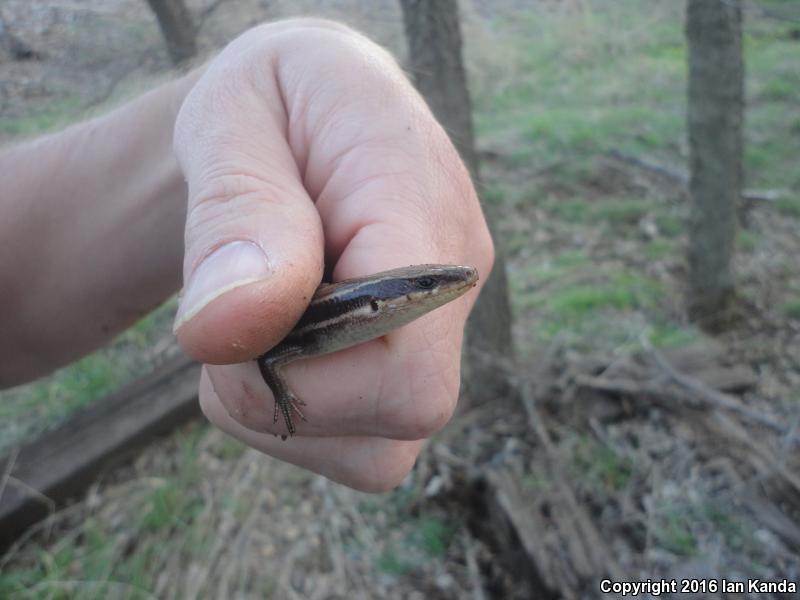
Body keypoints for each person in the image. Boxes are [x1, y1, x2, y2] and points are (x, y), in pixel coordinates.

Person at [0, 20, 493, 492]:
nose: (440, 288)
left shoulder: (364, 309)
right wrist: (282, 397)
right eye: (426, 285)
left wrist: (261, 86)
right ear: (378, 305)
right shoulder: (337, 322)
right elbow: (273, 358)